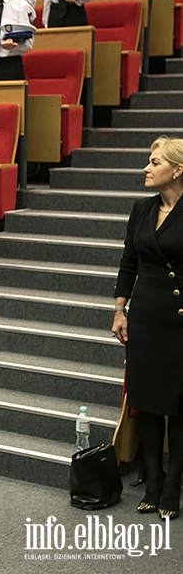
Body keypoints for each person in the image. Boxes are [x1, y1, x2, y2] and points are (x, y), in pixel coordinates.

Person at [112, 137, 183, 521]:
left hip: (180, 322)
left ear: (177, 170)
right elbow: (128, 263)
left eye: (154, 162)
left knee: (181, 408)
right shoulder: (141, 210)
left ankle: (173, 486)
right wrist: (119, 309)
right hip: (146, 319)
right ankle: (153, 481)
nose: (146, 168)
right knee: (149, 404)